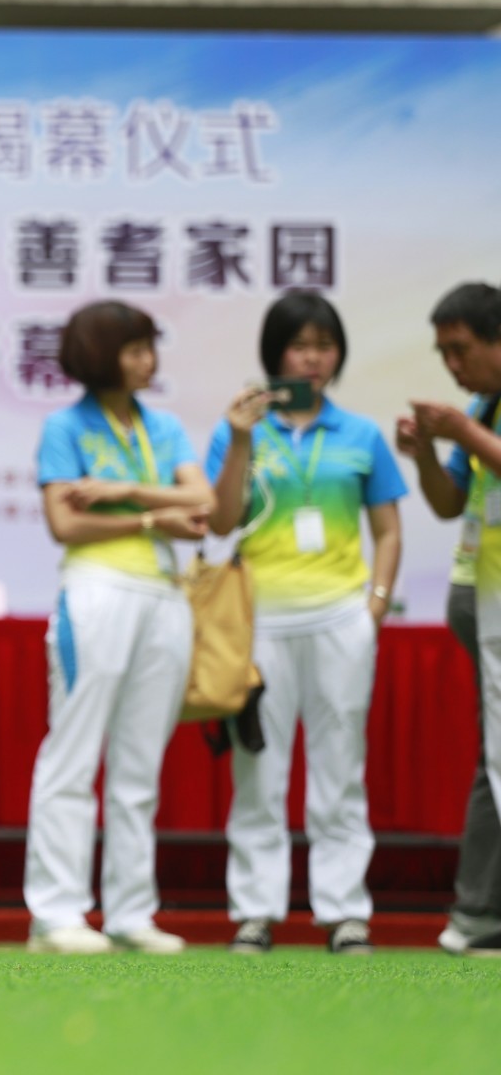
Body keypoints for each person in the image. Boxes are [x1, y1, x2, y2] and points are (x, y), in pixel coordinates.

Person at [206, 292, 404, 956]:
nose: (313, 357)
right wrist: (237, 440)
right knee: (257, 770)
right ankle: (256, 911)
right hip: (260, 621)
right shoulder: (242, 430)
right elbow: (221, 521)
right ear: (275, 355)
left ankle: (344, 911)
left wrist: (372, 607)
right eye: (299, 345)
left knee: (340, 765)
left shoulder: (361, 435)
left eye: (325, 344)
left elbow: (389, 529)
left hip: (340, 620)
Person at [26, 300, 211, 955]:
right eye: (133, 349)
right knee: (73, 751)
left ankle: (132, 911)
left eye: (149, 348)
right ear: (99, 354)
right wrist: (148, 516)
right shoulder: (64, 426)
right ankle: (57, 912)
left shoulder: (162, 428)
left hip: (164, 594)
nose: (146, 360)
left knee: (140, 762)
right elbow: (65, 523)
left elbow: (206, 500)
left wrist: (117, 490)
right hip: (97, 590)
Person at [401, 282, 501, 956]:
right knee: (494, 755)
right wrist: (427, 455)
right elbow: (446, 505)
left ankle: (475, 912)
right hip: (480, 589)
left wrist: (463, 431)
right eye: (443, 354)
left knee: (494, 757)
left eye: (460, 350)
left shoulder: (476, 417)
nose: (453, 366)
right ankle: (476, 914)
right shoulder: (481, 407)